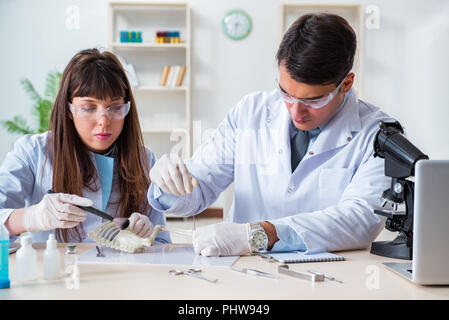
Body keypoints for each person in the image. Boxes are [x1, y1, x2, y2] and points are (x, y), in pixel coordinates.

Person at [148, 13, 394, 256]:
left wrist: (261, 234)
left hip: (328, 277)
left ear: (347, 84)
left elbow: (360, 220)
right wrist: (168, 185)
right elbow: (200, 189)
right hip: (245, 273)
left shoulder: (379, 134)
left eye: (313, 100)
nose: (296, 111)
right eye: (285, 93)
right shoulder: (250, 112)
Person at [0, 48, 170, 244]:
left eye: (115, 107)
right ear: (69, 109)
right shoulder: (32, 152)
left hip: (121, 273)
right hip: (54, 272)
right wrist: (32, 217)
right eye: (89, 108)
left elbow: (162, 243)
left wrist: (147, 237)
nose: (104, 121)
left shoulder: (144, 160)